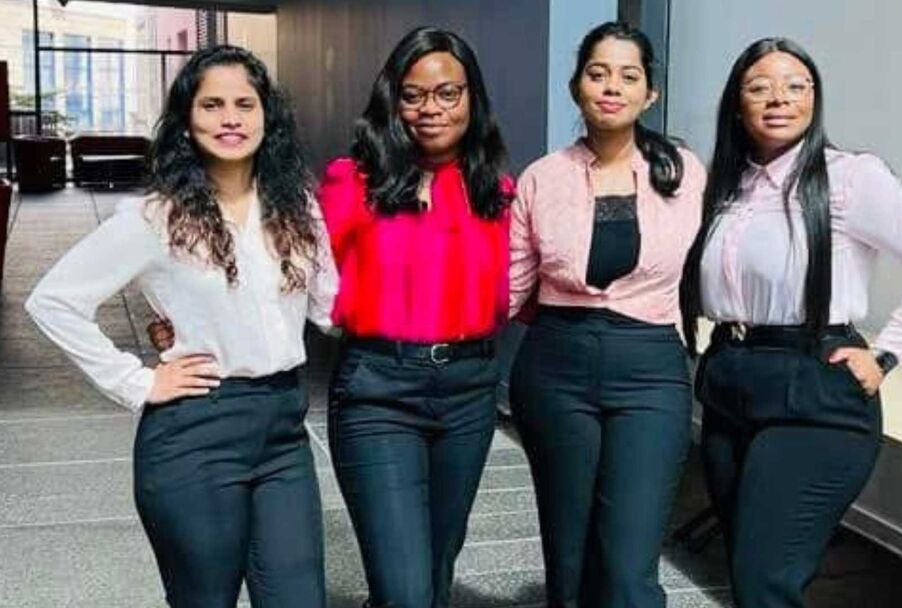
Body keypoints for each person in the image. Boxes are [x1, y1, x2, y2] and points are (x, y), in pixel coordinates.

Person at [25, 45, 336, 607]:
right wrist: (137, 381)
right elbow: (53, 301)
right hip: (196, 432)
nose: (230, 118)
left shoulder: (298, 209)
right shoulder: (157, 217)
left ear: (267, 115)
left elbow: (329, 309)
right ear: (187, 121)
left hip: (283, 428)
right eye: (212, 105)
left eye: (245, 104)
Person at [680, 38, 902, 608]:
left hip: (814, 388)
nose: (779, 99)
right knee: (747, 570)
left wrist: (887, 353)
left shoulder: (849, 177)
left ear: (815, 99)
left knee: (764, 579)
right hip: (730, 380)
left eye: (797, 86)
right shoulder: (727, 184)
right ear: (736, 103)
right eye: (760, 87)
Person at [508, 21, 706, 607]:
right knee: (568, 550)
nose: (612, 87)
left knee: (628, 561)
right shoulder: (543, 177)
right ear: (577, 87)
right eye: (598, 74)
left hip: (650, 367)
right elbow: (512, 283)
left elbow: (723, 255)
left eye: (628, 75)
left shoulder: (683, 172)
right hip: (556, 364)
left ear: (650, 93)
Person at [317, 27, 514, 608]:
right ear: (393, 101)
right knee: (404, 590)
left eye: (448, 93)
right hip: (378, 389)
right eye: (413, 95)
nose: (432, 108)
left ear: (472, 99)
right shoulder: (354, 181)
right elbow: (290, 268)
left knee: (432, 578)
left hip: (470, 391)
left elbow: (525, 283)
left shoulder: (497, 191)